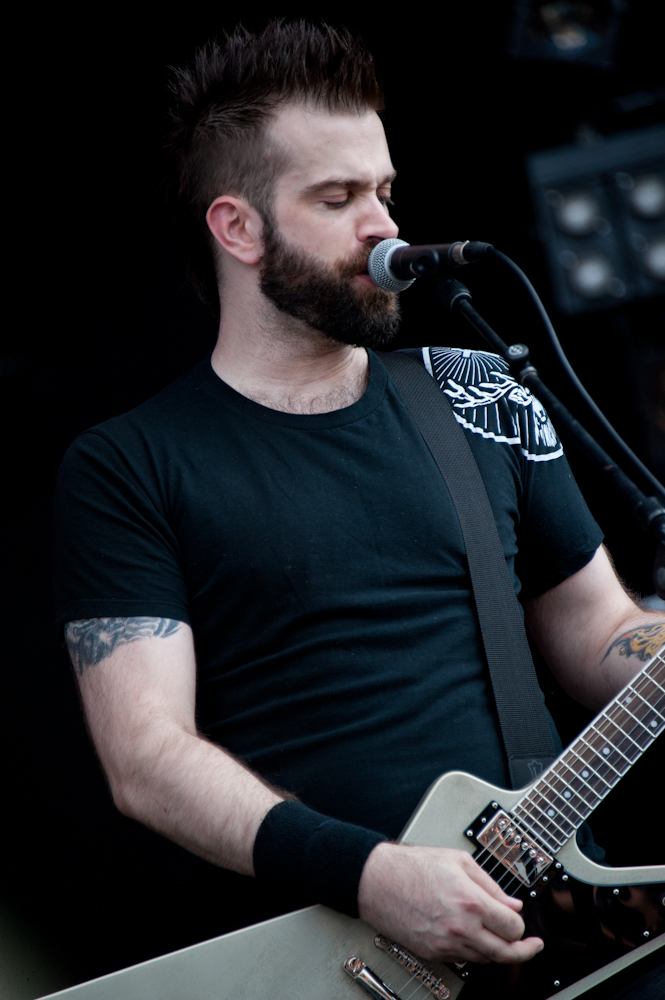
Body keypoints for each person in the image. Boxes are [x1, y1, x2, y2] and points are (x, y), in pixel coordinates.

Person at [53, 20, 664, 976]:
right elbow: (146, 758)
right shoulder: (128, 466)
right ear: (238, 226)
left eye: (382, 191)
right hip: (334, 957)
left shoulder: (477, 391)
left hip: (558, 929)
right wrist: (372, 874)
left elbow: (595, 632)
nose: (383, 225)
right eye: (336, 198)